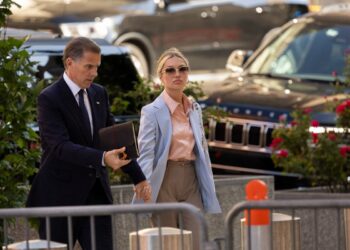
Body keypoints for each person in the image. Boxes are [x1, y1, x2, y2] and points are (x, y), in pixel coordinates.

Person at [26, 37, 151, 250]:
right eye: (89, 66)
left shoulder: (98, 93)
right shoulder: (49, 98)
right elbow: (59, 146)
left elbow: (115, 139)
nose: (94, 73)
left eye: (97, 67)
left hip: (97, 196)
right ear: (69, 63)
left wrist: (138, 178)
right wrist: (102, 158)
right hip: (59, 198)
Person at [135, 47, 221, 250]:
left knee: (196, 240)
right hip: (164, 179)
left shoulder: (194, 108)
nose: (177, 74)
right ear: (161, 77)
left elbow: (202, 149)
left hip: (191, 179)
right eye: (170, 70)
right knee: (168, 243)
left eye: (182, 69)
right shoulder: (151, 111)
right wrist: (142, 182)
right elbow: (146, 152)